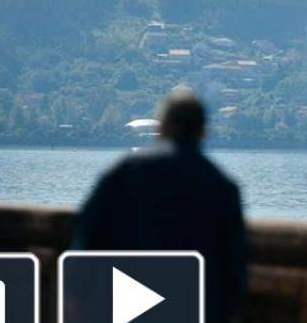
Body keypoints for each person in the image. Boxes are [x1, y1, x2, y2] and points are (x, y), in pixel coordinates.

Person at [75, 88, 247, 322]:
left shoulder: (127, 171)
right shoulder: (223, 186)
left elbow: (88, 238)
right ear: (202, 132)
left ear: (162, 127)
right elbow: (234, 268)